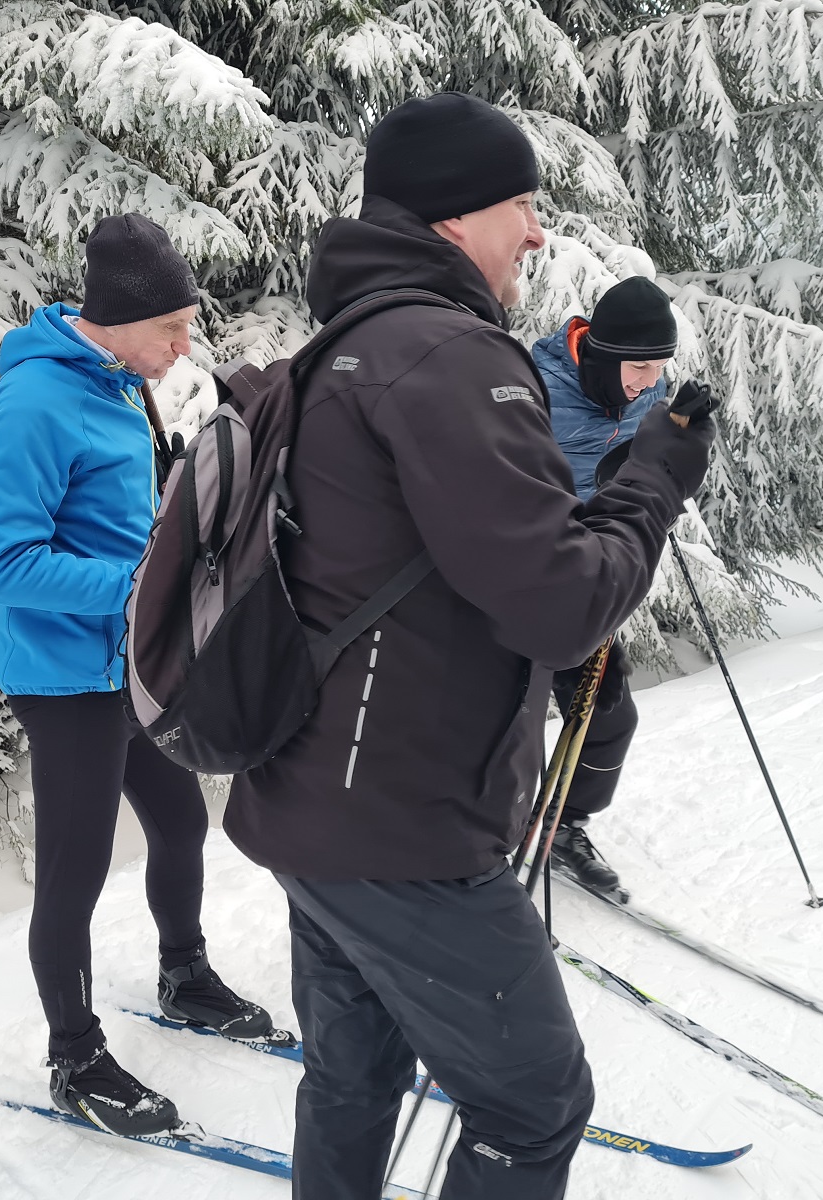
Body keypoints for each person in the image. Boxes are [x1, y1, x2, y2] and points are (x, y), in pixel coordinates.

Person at [222, 93, 715, 1199]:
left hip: (314, 794)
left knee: (351, 1078)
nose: (537, 234)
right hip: (404, 826)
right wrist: (654, 482)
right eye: (522, 206)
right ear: (454, 215)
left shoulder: (338, 349)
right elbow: (558, 607)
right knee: (533, 1107)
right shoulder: (448, 356)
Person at [0, 213, 278, 1137]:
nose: (184, 348)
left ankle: (183, 978)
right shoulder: (32, 405)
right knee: (76, 867)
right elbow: (1, 563)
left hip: (124, 663)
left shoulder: (116, 383)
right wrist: (141, 586)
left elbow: (119, 511)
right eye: (171, 330)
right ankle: (75, 1059)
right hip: (63, 677)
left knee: (181, 821)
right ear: (116, 318)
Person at [531, 276, 680, 896]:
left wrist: (673, 441)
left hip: (583, 572)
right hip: (512, 569)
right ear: (603, 352)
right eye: (641, 366)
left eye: (660, 367)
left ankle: (561, 827)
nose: (650, 380)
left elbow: (644, 447)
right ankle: (475, 848)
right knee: (500, 725)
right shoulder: (532, 387)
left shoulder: (651, 390)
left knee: (606, 714)